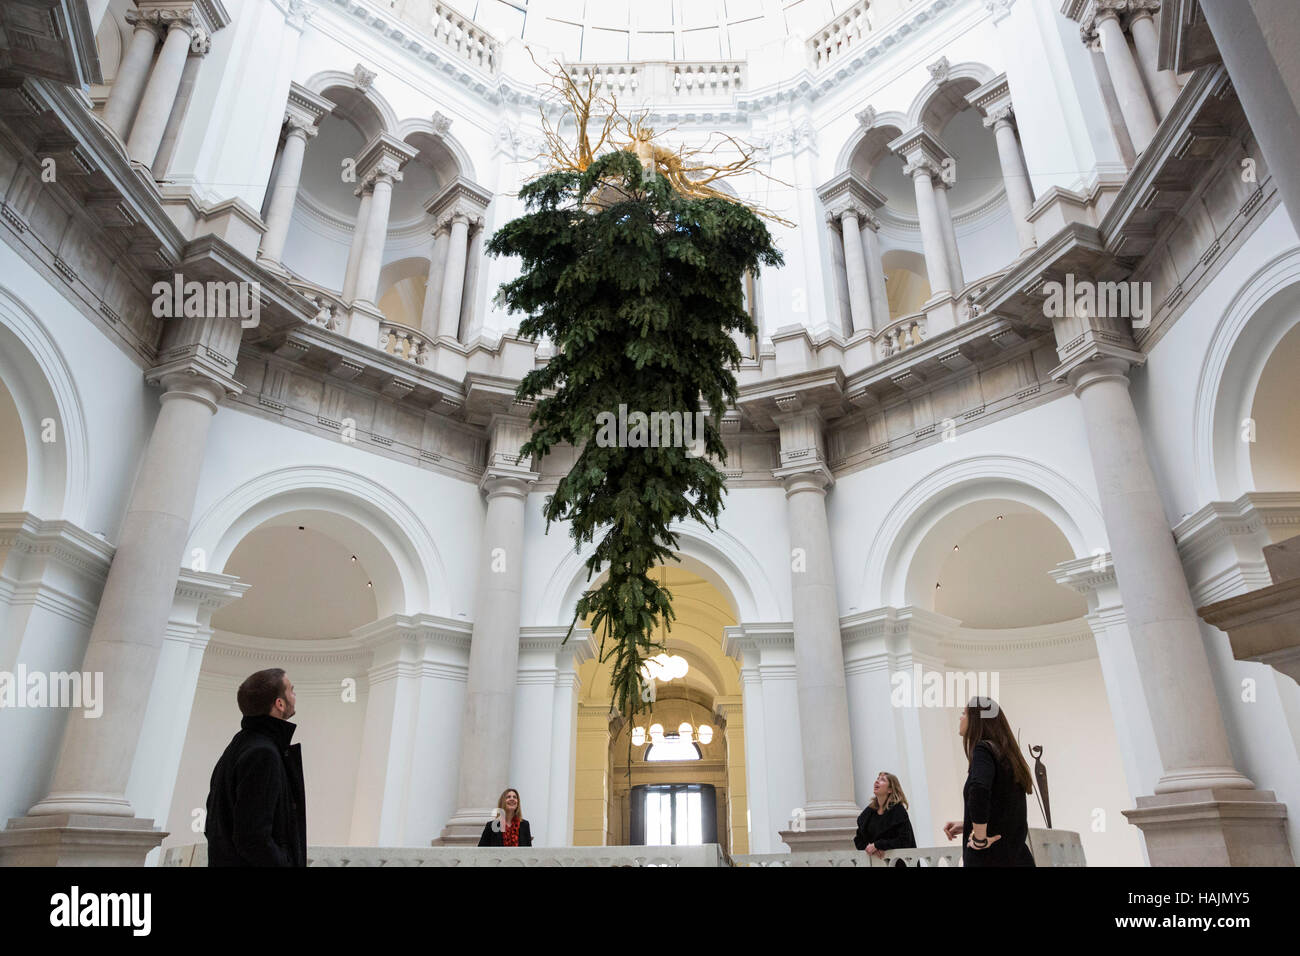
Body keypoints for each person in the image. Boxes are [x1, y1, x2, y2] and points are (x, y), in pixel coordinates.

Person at [204, 668, 307, 867]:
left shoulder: (238, 746)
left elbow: (213, 824)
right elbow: (252, 838)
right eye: (291, 691)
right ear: (279, 703)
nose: (294, 696)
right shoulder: (263, 754)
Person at [942, 697, 1036, 867]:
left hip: (990, 858)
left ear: (977, 720)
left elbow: (979, 790)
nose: (960, 718)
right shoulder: (1008, 755)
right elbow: (1004, 808)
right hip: (1017, 856)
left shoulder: (983, 749)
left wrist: (979, 838)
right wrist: (968, 823)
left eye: (964, 714)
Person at [854, 771, 917, 866]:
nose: (877, 782)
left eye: (882, 780)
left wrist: (878, 845)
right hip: (877, 863)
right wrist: (870, 848)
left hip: (900, 863)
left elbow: (904, 841)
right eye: (877, 779)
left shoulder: (898, 810)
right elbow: (858, 839)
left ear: (890, 789)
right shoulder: (869, 812)